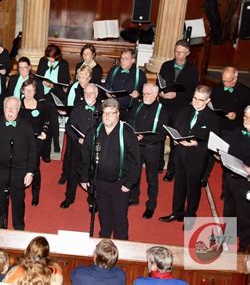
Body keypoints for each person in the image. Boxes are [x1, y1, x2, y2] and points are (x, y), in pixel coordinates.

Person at [80, 98, 140, 240]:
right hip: (99, 182)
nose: (107, 116)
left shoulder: (127, 133)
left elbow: (135, 161)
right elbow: (85, 156)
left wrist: (129, 183)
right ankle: (104, 240)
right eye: (105, 113)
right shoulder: (94, 132)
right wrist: (84, 177)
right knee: (104, 214)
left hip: (120, 184)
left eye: (111, 113)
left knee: (120, 216)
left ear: (118, 114)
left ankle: (122, 243)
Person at [159, 85, 220, 223]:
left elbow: (213, 143)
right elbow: (176, 127)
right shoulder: (184, 110)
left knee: (193, 188)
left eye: (200, 100)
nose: (196, 102)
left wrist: (197, 144)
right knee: (179, 186)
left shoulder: (213, 118)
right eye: (194, 98)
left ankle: (190, 216)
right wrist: (175, 139)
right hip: (180, 154)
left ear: (208, 100)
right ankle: (177, 213)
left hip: (197, 158)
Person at [0, 96, 36, 230]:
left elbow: (33, 150)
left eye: (14, 108)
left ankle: (18, 228)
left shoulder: (26, 126)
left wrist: (30, 172)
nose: (10, 111)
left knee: (18, 202)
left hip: (19, 170)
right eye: (8, 108)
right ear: (3, 108)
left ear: (18, 110)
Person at [204, 67, 250, 193]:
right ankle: (204, 178)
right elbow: (212, 105)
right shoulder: (218, 88)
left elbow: (247, 114)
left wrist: (237, 115)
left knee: (228, 159)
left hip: (233, 131)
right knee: (210, 155)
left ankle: (225, 189)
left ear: (235, 79)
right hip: (217, 127)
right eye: (223, 80)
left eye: (228, 81)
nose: (225, 83)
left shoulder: (245, 92)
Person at [159, 40, 199, 181]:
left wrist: (176, 95)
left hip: (180, 109)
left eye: (181, 52)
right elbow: (160, 83)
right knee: (160, 136)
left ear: (187, 53)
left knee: (176, 140)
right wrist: (161, 92)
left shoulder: (192, 70)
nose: (178, 54)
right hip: (164, 106)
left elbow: (191, 93)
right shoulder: (166, 65)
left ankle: (171, 171)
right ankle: (159, 164)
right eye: (176, 51)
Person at [127, 83, 169, 219]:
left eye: (148, 94)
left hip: (152, 148)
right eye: (144, 93)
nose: (145, 96)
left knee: (151, 178)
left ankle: (151, 205)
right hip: (137, 147)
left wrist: (144, 137)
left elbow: (162, 134)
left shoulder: (162, 110)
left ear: (156, 94)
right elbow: (129, 122)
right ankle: (134, 197)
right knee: (135, 174)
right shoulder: (138, 106)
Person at [60, 83, 100, 209]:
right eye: (86, 93)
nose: (88, 95)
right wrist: (78, 139)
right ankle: (69, 198)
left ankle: (92, 200)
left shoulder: (103, 109)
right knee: (73, 173)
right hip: (77, 148)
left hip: (94, 149)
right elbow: (68, 127)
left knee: (93, 175)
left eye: (91, 93)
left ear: (97, 94)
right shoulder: (77, 108)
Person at [221, 106, 250, 253]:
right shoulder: (239, 130)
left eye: (249, 118)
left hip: (246, 183)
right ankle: (228, 237)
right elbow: (232, 151)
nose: (246, 120)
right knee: (229, 210)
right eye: (245, 116)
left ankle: (245, 246)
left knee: (245, 215)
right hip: (231, 176)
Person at [36, 44, 70, 162]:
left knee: (49, 119)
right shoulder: (43, 61)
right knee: (43, 120)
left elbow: (64, 86)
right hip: (42, 95)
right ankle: (53, 142)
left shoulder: (63, 65)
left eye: (51, 58)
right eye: (48, 58)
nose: (49, 60)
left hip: (55, 95)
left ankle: (46, 152)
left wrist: (52, 85)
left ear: (57, 56)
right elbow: (38, 77)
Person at [19, 78, 50, 206]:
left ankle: (35, 194)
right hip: (21, 142)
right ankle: (20, 191)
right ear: (22, 91)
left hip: (35, 142)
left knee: (34, 168)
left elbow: (46, 122)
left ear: (35, 91)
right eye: (26, 90)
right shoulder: (18, 104)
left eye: (31, 90)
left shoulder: (41, 105)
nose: (28, 92)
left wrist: (44, 132)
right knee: (20, 167)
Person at [104, 48, 147, 121]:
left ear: (133, 60)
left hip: (129, 112)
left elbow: (144, 92)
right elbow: (106, 86)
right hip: (113, 110)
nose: (122, 61)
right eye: (122, 58)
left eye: (126, 59)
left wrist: (138, 93)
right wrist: (107, 93)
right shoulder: (113, 70)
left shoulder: (140, 74)